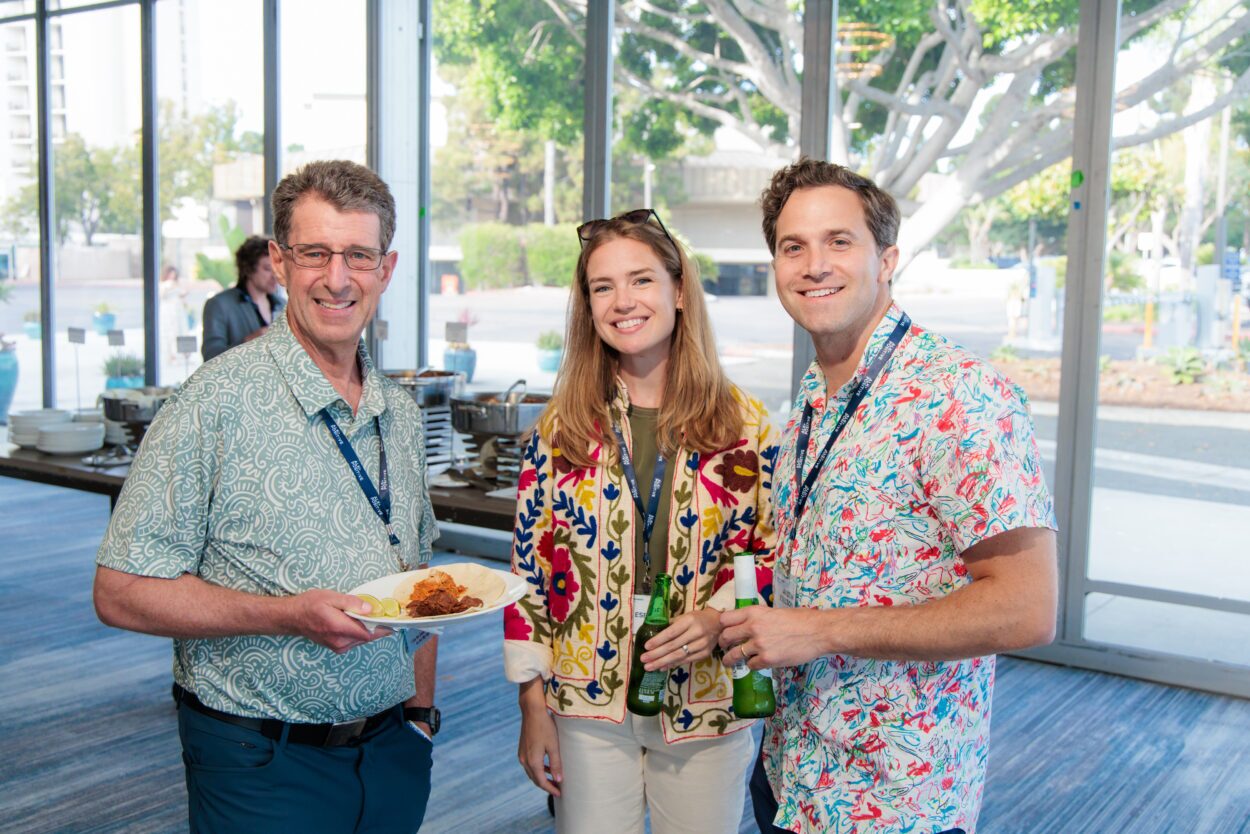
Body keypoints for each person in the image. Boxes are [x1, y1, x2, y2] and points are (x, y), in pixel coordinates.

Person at [93, 160, 439, 834]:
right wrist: (285, 616)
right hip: (260, 762)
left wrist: (420, 719)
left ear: (386, 269)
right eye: (315, 254)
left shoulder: (398, 411)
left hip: (392, 755)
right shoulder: (213, 400)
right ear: (279, 262)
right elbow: (120, 591)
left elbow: (416, 574)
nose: (337, 278)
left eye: (358, 255)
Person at [720, 158, 1058, 834]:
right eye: (793, 247)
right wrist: (742, 621)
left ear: (887, 259)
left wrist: (819, 629)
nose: (815, 265)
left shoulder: (958, 395)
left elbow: (1028, 609)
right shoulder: (813, 398)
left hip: (898, 799)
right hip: (793, 773)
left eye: (839, 241)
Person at [504, 208, 777, 834]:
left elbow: (772, 555)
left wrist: (718, 619)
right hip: (584, 695)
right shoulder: (561, 429)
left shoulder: (746, 427)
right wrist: (531, 703)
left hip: (707, 693)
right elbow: (528, 574)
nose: (623, 301)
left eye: (642, 280)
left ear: (679, 291)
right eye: (603, 287)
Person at [201, 235, 285, 361]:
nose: (276, 275)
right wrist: (249, 341)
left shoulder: (282, 305)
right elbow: (210, 356)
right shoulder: (218, 304)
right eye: (268, 269)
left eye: (278, 268)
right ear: (248, 269)